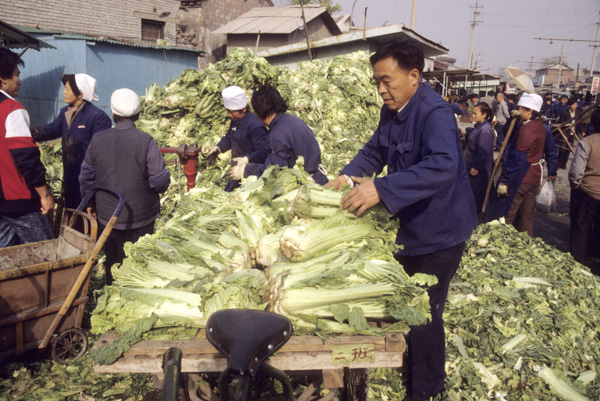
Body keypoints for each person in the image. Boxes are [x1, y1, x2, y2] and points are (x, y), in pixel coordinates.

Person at [324, 39, 477, 401]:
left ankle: (425, 388)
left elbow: (442, 165)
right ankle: (404, 364)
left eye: (386, 81)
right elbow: (375, 150)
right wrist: (346, 178)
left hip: (440, 231)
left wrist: (381, 189)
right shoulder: (391, 111)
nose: (380, 89)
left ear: (413, 75)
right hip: (408, 227)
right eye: (376, 81)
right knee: (404, 304)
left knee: (425, 311)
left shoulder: (435, 113)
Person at [79, 89, 170, 285]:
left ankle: (113, 293)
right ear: (138, 115)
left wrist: (90, 202)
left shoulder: (97, 140)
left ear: (113, 113)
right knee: (141, 262)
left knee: (113, 260)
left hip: (107, 214)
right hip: (142, 216)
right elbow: (159, 181)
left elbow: (86, 177)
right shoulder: (146, 141)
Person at [0, 48, 55, 248]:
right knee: (45, 254)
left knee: (5, 260)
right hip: (19, 200)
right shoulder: (11, 109)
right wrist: (45, 195)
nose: (19, 81)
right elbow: (25, 157)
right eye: (16, 75)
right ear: (3, 79)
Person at [32, 73, 111, 210]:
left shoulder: (97, 117)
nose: (64, 92)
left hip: (88, 177)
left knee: (87, 212)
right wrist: (32, 133)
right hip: (70, 173)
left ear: (80, 94)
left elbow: (100, 151)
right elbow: (53, 129)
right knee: (72, 210)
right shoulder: (66, 112)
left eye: (67, 89)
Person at [228, 85, 328, 185]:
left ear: (259, 113)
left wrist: (246, 170)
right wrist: (248, 159)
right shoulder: (292, 120)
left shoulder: (277, 135)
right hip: (319, 177)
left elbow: (276, 172)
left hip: (308, 185)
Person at [495, 93, 546, 237]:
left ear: (530, 111)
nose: (519, 111)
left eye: (521, 109)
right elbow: (508, 133)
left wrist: (505, 180)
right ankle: (527, 244)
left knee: (508, 214)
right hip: (534, 178)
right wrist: (513, 119)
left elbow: (518, 158)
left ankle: (502, 242)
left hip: (522, 176)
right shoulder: (540, 126)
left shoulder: (527, 129)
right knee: (526, 217)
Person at [204, 86, 269, 192]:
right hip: (236, 169)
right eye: (227, 111)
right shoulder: (235, 119)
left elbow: (264, 151)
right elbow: (230, 136)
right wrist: (219, 148)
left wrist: (247, 160)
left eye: (232, 111)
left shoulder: (255, 125)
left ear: (243, 109)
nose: (229, 115)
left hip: (251, 173)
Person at [568, 109, 600, 267]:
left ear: (592, 124)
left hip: (587, 193)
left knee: (580, 230)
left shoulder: (587, 142)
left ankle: (576, 265)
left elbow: (576, 172)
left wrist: (575, 185)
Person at [462, 102, 495, 212]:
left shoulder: (485, 130)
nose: (473, 116)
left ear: (484, 115)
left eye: (476, 114)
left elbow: (483, 151)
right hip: (470, 164)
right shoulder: (479, 127)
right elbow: (472, 135)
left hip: (477, 171)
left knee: (475, 196)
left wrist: (476, 167)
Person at [557, 98, 582, 169]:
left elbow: (580, 123)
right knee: (562, 149)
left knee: (568, 150)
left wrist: (582, 131)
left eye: (576, 104)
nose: (575, 106)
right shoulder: (564, 113)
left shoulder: (577, 113)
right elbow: (562, 125)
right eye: (573, 104)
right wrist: (564, 135)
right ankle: (559, 163)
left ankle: (564, 163)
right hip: (565, 133)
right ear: (569, 106)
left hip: (573, 133)